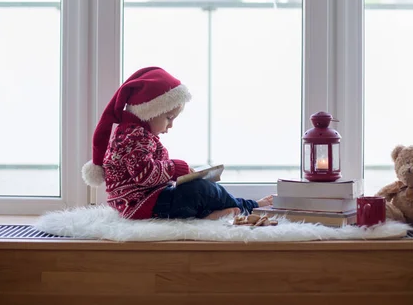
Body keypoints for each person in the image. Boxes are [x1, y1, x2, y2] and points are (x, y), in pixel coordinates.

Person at [81, 66, 273, 220]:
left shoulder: (133, 133)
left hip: (141, 201)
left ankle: (216, 213)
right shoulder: (135, 136)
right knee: (200, 190)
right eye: (168, 117)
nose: (170, 125)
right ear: (150, 111)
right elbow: (144, 174)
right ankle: (250, 207)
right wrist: (176, 168)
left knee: (197, 190)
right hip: (140, 205)